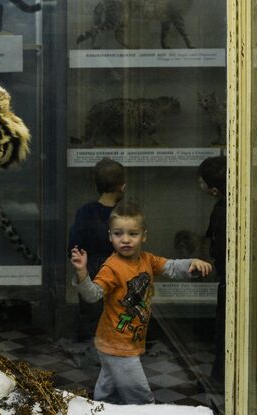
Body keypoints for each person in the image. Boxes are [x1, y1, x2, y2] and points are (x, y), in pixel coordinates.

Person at [70, 202, 212, 405]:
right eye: (118, 234)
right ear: (110, 236)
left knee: (107, 391)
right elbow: (93, 295)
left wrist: (191, 263)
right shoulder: (111, 267)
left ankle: (100, 408)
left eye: (132, 234)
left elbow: (171, 267)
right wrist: (82, 273)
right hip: (118, 344)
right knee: (140, 396)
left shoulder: (147, 259)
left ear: (144, 235)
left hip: (122, 341)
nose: (125, 240)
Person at [68, 158, 126, 340]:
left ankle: (88, 346)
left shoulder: (85, 212)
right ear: (122, 187)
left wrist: (80, 265)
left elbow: (74, 245)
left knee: (90, 312)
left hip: (90, 268)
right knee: (119, 310)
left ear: (96, 186)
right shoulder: (125, 213)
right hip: (119, 269)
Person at [198, 155, 226, 390]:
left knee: (223, 329)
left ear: (214, 190)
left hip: (227, 279)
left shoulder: (220, 210)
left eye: (202, 182)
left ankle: (218, 381)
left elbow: (216, 246)